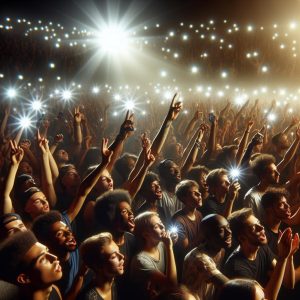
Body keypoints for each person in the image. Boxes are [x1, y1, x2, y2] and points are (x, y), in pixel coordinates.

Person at [224, 208, 299, 300]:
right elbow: (268, 298)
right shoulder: (237, 268)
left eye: (259, 223)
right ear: (242, 238)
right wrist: (282, 258)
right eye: (254, 228)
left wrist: (289, 255)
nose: (261, 227)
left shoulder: (261, 248)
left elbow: (288, 283)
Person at [0, 230, 62, 300]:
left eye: (48, 251)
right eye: (42, 259)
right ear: (24, 278)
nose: (54, 258)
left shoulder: (54, 290)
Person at [31, 211, 80, 297]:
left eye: (67, 229)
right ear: (47, 243)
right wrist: (81, 276)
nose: (69, 234)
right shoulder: (53, 272)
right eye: (60, 234)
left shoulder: (72, 248)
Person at [182, 214, 231, 300]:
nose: (229, 232)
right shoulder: (199, 259)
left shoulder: (220, 250)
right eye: (221, 230)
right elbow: (230, 286)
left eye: (228, 227)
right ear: (207, 237)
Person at [130, 211, 177, 299]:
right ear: (145, 235)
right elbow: (172, 285)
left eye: (161, 223)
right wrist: (169, 247)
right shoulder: (140, 261)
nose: (163, 227)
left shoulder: (160, 244)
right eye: (156, 226)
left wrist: (172, 243)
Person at [77, 232, 124, 300]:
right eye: (113, 256)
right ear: (97, 266)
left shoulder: (116, 284)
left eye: (119, 251)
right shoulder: (87, 298)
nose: (122, 256)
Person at [171, 180, 203, 278]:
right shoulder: (179, 220)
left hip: (197, 262)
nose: (199, 194)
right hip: (185, 268)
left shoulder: (199, 214)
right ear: (183, 198)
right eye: (194, 193)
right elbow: (186, 251)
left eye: (198, 191)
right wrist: (203, 236)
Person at [244, 154, 280, 221]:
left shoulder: (274, 192)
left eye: (276, 170)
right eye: (273, 172)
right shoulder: (251, 197)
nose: (278, 173)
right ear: (263, 175)